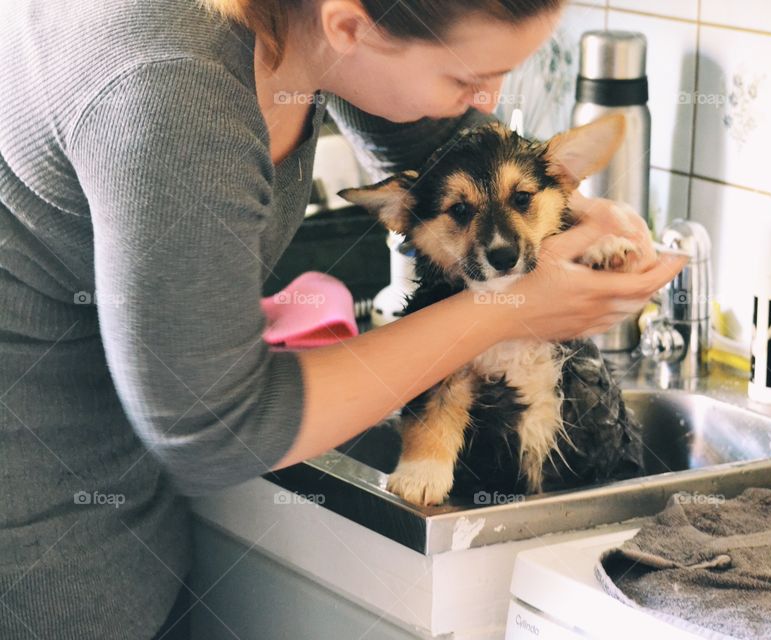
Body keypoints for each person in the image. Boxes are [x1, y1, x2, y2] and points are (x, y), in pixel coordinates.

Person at [0, 0, 686, 638]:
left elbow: (440, 149)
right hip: (37, 561)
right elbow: (210, 428)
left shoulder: (302, 24)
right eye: (470, 76)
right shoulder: (174, 92)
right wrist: (507, 310)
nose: (489, 101)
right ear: (350, 26)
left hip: (121, 520)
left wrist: (565, 209)